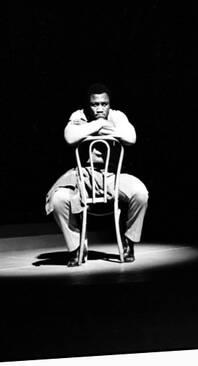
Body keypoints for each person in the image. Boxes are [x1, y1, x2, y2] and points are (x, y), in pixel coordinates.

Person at [45, 83, 149, 267]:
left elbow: (131, 138)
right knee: (58, 199)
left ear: (109, 104)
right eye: (95, 104)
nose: (100, 108)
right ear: (88, 104)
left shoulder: (118, 115)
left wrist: (94, 130)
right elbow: (70, 137)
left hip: (113, 176)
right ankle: (76, 247)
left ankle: (129, 241)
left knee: (141, 193)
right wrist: (100, 124)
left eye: (104, 104)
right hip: (83, 177)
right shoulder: (79, 115)